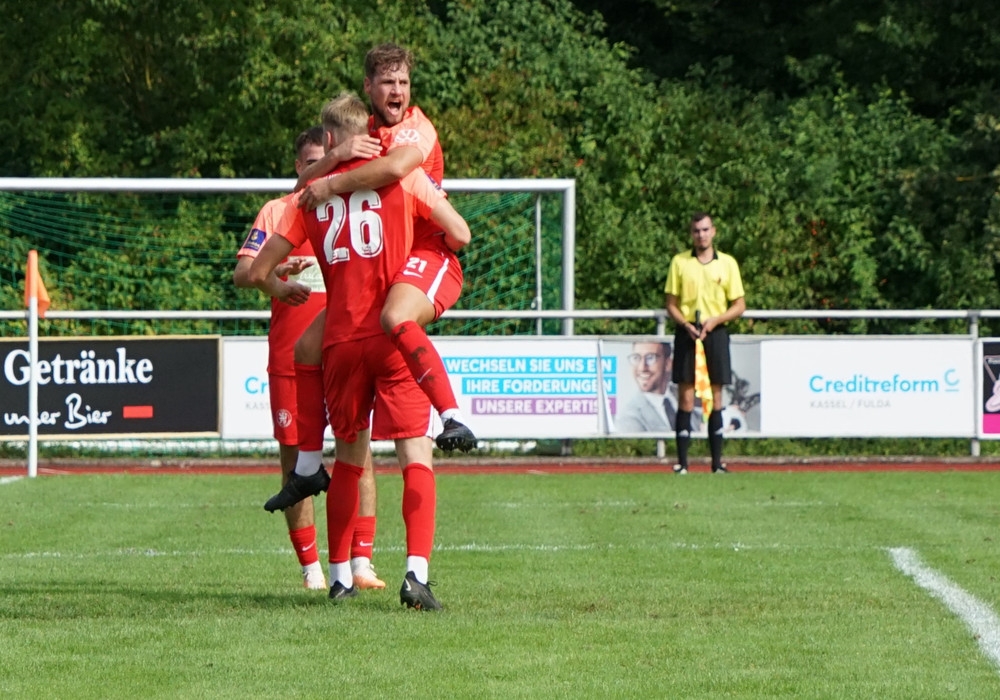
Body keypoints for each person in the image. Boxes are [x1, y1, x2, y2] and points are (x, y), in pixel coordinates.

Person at [249, 91, 472, 610]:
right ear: (376, 136)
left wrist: (280, 288)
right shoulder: (400, 176)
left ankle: (338, 575)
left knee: (348, 457)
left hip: (340, 342)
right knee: (415, 453)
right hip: (391, 338)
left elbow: (256, 271)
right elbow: (460, 233)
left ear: (328, 142)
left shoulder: (310, 199)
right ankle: (416, 572)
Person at [294, 42, 475, 454]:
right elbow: (297, 196)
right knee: (306, 347)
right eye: (388, 81)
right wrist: (334, 156)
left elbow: (396, 169)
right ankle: (306, 465)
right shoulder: (363, 137)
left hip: (424, 255)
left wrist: (331, 183)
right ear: (368, 86)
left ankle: (452, 416)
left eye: (404, 82)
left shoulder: (415, 128)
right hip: (379, 267)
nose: (398, 90)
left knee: (395, 317)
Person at [233, 126, 384, 591]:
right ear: (301, 167)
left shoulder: (354, 202)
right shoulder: (280, 210)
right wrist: (275, 276)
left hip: (344, 347)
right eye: (319, 159)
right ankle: (313, 571)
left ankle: (361, 564)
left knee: (357, 452)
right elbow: (244, 273)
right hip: (290, 355)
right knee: (297, 459)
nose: (329, 165)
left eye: (336, 156)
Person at [664, 212, 746, 475]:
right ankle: (683, 463)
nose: (701, 235)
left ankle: (717, 463)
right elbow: (671, 305)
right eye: (697, 231)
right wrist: (685, 324)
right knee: (686, 396)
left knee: (716, 396)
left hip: (716, 333)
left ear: (714, 231)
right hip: (688, 333)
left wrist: (716, 320)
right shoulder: (680, 262)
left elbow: (739, 305)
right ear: (692, 234)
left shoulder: (728, 264)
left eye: (705, 230)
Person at [616, 340, 699, 433]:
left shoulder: (686, 394)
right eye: (636, 358)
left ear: (668, 364)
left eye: (650, 358)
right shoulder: (629, 417)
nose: (642, 367)